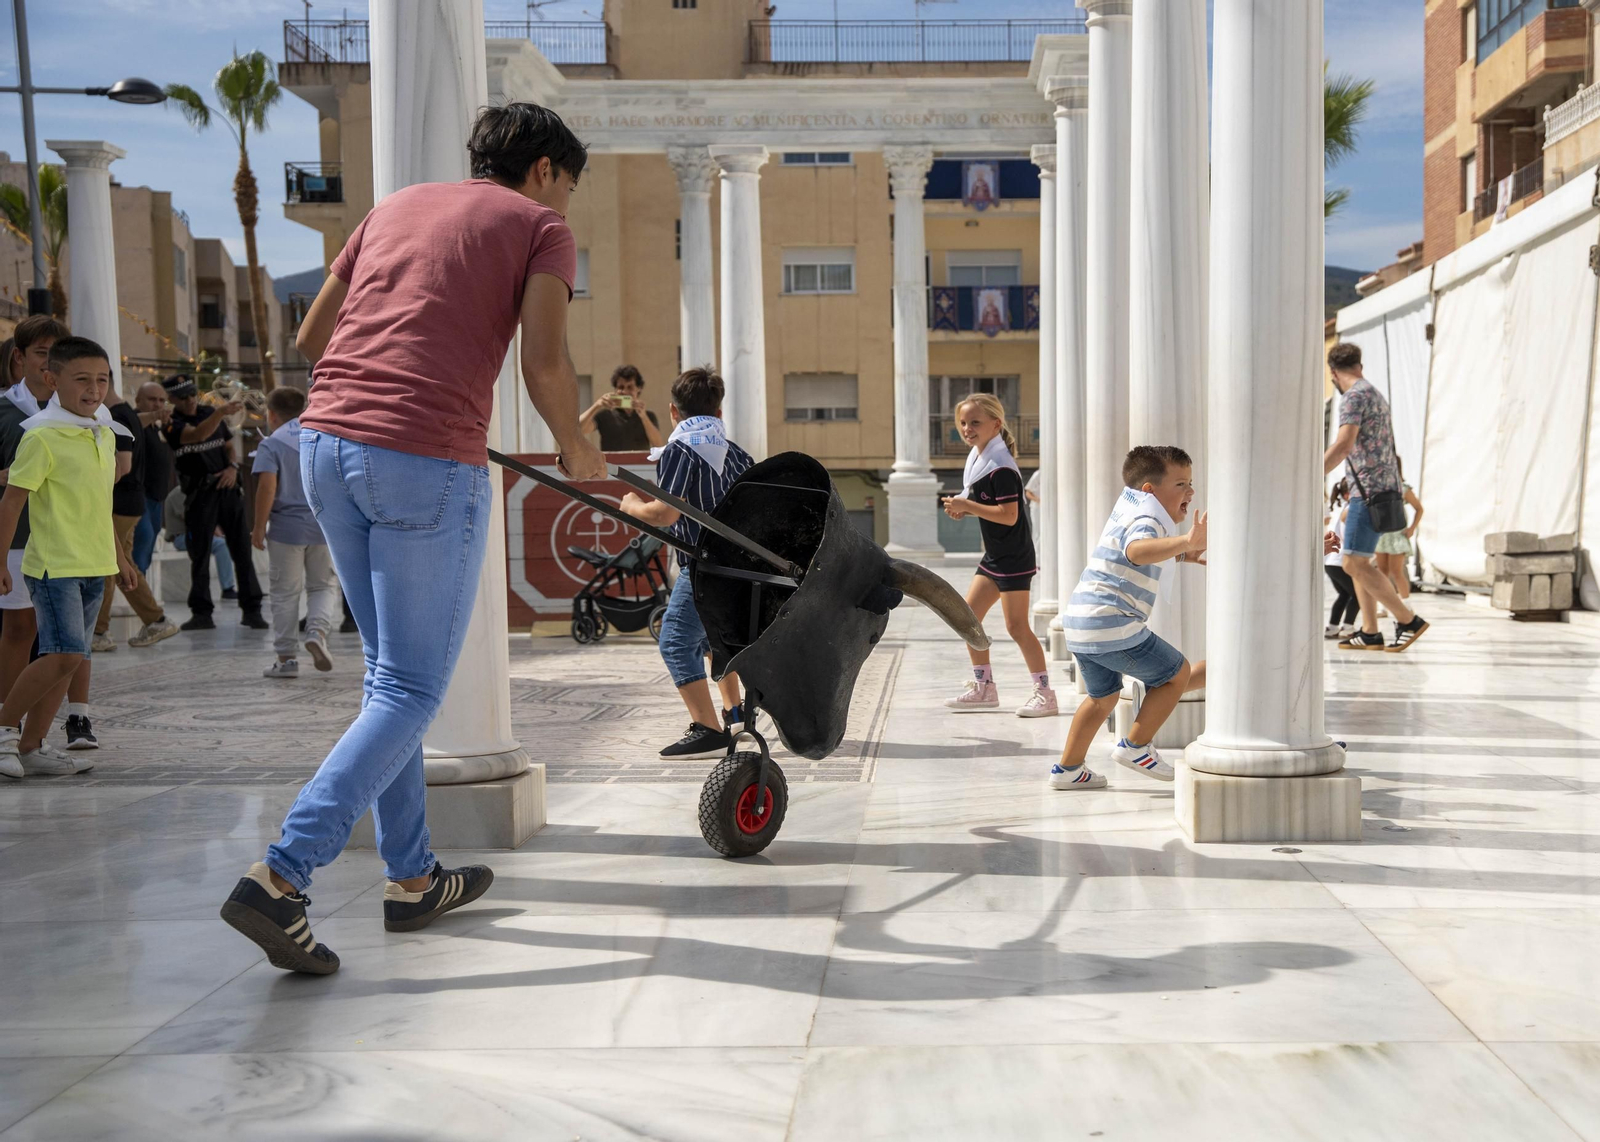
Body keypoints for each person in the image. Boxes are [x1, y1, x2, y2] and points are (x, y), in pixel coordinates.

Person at [219, 102, 605, 975]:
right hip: (424, 463)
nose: (569, 203)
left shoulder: (389, 209)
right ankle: (283, 874)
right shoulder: (540, 226)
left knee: (388, 681)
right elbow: (544, 361)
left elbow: (314, 336)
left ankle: (412, 876)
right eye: (572, 185)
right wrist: (579, 450)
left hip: (324, 449)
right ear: (544, 168)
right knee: (412, 689)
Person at [0, 337, 137, 778]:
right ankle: (3, 730)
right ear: (51, 379)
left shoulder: (101, 429)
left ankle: (32, 747)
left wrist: (121, 557)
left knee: (73, 658)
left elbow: (98, 504)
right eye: (82, 379)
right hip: (53, 566)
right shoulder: (41, 434)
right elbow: (12, 501)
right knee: (63, 654)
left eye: (102, 379)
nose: (94, 389)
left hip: (95, 564)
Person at [1049, 445, 1208, 790]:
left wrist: (1184, 556)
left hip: (1081, 623)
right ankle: (1135, 746)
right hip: (1112, 622)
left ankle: (1069, 769)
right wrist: (1184, 542)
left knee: (1102, 698)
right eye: (1181, 484)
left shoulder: (1128, 512)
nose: (1191, 492)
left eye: (1190, 483)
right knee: (1175, 673)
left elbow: (1126, 558)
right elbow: (1136, 552)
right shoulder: (1147, 519)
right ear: (1150, 489)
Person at [619, 366, 755, 760]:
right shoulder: (734, 451)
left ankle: (708, 729)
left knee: (677, 641)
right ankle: (735, 712)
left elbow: (665, 513)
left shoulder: (680, 448)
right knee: (715, 640)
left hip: (703, 565)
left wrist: (632, 505)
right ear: (719, 411)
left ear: (673, 412)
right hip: (736, 568)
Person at [0, 315, 93, 760]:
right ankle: (6, 725)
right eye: (41, 353)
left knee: (63, 647)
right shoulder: (7, 411)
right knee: (21, 631)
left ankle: (36, 739)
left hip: (74, 547)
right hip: (19, 540)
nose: (48, 362)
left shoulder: (89, 417)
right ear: (20, 358)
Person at [941, 394, 1056, 717]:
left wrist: (968, 506)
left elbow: (1008, 515)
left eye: (975, 422)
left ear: (996, 424)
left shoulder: (1001, 468)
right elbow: (988, 508)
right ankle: (984, 688)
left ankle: (1045, 693)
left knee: (1017, 627)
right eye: (963, 423)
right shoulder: (979, 462)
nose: (967, 428)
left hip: (1014, 557)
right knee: (967, 620)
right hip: (995, 557)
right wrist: (963, 508)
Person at [1322, 342, 1428, 652]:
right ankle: (1369, 631)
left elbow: (1343, 445)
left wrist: (1311, 472)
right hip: (1383, 488)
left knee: (1353, 563)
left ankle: (1408, 620)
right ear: (1359, 365)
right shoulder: (1374, 394)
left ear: (1332, 373)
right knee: (1359, 559)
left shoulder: (1353, 397)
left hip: (1368, 492)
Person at [162, 374, 266, 631]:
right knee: (200, 555)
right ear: (172, 399)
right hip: (199, 493)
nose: (189, 401)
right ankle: (201, 613)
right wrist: (219, 413)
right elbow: (197, 435)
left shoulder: (210, 412)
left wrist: (232, 467)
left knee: (242, 550)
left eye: (192, 394)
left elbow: (229, 446)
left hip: (228, 489)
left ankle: (252, 610)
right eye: (182, 397)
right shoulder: (171, 423)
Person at [252, 387, 337, 679]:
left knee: (284, 594)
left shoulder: (272, 444)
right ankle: (317, 631)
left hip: (286, 531)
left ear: (271, 414)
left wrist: (258, 527)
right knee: (323, 586)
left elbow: (267, 487)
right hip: (324, 527)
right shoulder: (319, 436)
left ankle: (287, 659)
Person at [90, 376, 179, 650]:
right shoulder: (126, 414)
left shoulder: (117, 416)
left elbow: (123, 465)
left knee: (108, 564)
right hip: (130, 502)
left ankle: (99, 632)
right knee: (122, 564)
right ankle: (155, 620)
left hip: (121, 502)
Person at [164, 485, 239, 596]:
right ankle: (227, 588)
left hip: (196, 535)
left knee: (223, 544)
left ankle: (227, 586)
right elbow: (192, 518)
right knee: (221, 545)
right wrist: (213, 529)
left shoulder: (195, 492)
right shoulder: (179, 493)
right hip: (182, 538)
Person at [131, 380, 173, 574]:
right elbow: (134, 422)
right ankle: (138, 593)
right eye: (152, 399)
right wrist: (155, 416)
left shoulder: (157, 428)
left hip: (157, 497)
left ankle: (141, 589)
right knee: (144, 539)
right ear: (138, 400)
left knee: (148, 546)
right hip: (140, 495)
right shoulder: (133, 422)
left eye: (161, 401)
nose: (157, 404)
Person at [579, 364, 664, 451]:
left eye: (630, 387)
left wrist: (644, 417)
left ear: (639, 389)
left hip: (639, 464)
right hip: (611, 464)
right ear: (615, 390)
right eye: (621, 387)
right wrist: (596, 405)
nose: (625, 391)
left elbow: (658, 445)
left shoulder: (649, 416)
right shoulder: (605, 415)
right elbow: (578, 429)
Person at [1375, 456, 1424, 602]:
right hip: (1382, 535)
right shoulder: (1378, 488)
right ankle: (1384, 605)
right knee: (1382, 572)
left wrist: (1412, 528)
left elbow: (1419, 509)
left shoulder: (1403, 489)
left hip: (1397, 535)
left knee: (1397, 572)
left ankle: (1406, 606)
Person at [1325, 479, 1359, 640]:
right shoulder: (1352, 509)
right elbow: (1348, 538)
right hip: (1340, 562)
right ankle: (1348, 628)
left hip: (1332, 562)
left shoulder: (1347, 508)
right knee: (1358, 595)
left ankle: (1332, 628)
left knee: (1344, 595)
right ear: (1347, 495)